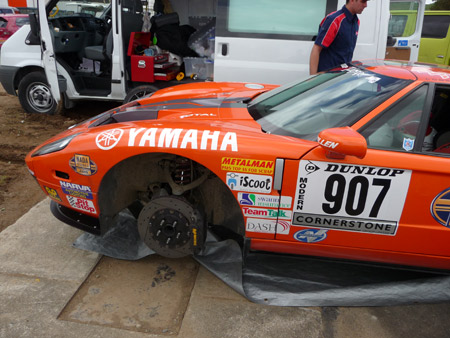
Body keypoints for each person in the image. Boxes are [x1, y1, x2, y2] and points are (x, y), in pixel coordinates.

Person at [309, 0, 368, 75]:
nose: (366, 5)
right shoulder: (334, 20)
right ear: (352, 0)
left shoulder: (356, 22)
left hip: (341, 75)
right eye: (363, 1)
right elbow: (316, 48)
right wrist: (313, 78)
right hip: (327, 76)